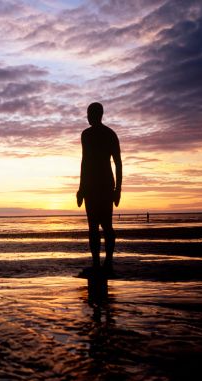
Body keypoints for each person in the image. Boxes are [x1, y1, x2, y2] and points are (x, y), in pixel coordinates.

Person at [76, 102, 122, 273]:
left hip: (103, 185)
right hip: (91, 186)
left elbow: (118, 163)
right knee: (94, 227)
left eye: (89, 114)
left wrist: (118, 190)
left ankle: (108, 262)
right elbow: (85, 161)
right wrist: (81, 189)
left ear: (97, 115)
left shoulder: (109, 134)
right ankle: (97, 263)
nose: (87, 117)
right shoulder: (86, 135)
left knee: (106, 226)